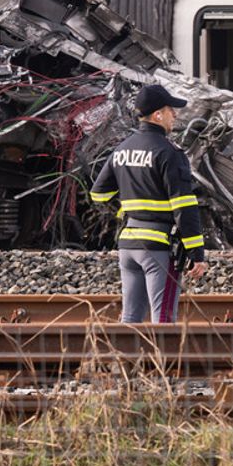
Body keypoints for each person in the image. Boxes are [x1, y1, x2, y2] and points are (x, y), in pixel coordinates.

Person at [90, 83, 207, 324]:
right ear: (158, 115)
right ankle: (162, 363)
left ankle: (126, 362)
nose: (175, 115)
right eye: (171, 110)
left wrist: (129, 210)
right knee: (162, 319)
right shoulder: (169, 153)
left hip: (128, 245)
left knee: (131, 318)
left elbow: (98, 194)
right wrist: (197, 254)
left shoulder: (122, 149)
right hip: (158, 248)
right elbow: (184, 208)